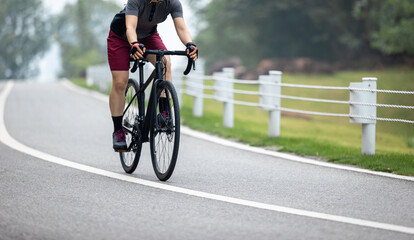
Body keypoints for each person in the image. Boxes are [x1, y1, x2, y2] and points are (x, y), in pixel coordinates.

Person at [107, 0, 198, 151]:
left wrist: (190, 44)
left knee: (165, 63)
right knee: (120, 82)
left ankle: (163, 114)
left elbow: (182, 28)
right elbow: (130, 27)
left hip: (148, 36)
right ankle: (118, 131)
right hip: (121, 37)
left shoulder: (173, 3)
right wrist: (134, 43)